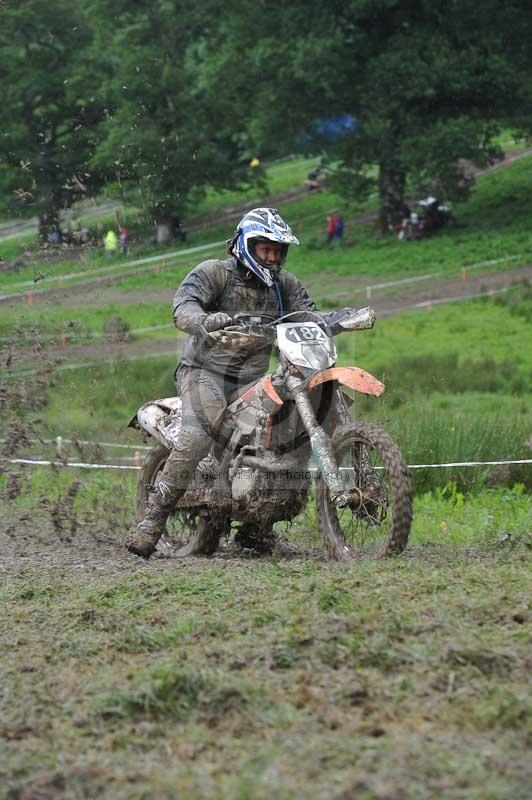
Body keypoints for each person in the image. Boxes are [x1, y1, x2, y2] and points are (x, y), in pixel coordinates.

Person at [126, 207, 321, 558]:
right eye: (266, 249)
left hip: (253, 379)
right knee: (198, 434)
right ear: (247, 244)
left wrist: (336, 319)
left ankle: (256, 527)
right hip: (206, 374)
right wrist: (205, 320)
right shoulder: (214, 273)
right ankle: (152, 521)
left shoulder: (284, 284)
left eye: (278, 250)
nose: (273, 257)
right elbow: (183, 307)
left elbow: (308, 312)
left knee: (285, 435)